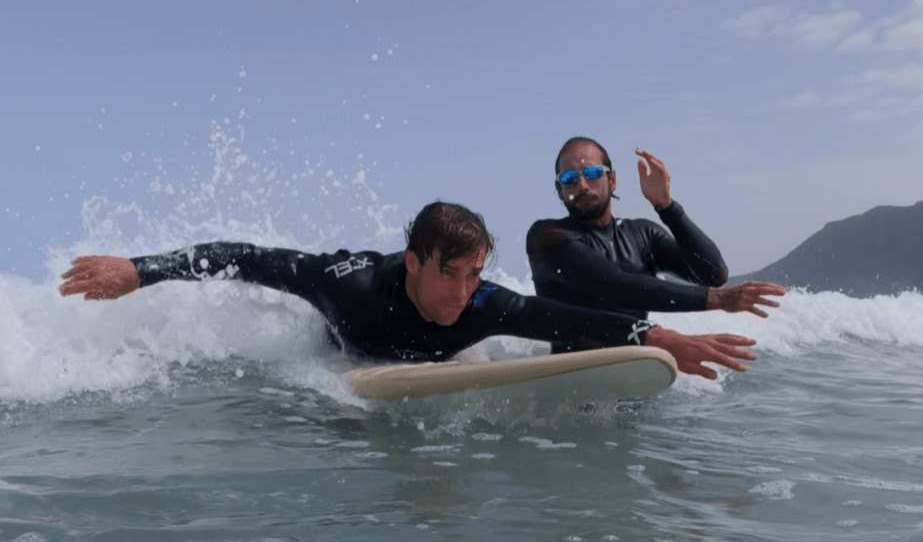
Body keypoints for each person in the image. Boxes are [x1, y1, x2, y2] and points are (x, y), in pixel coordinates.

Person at [58, 201, 757, 379]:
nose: (462, 291)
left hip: (421, 364)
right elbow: (245, 256)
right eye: (448, 272)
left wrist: (659, 335)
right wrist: (140, 269)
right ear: (414, 260)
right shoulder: (350, 284)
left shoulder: (484, 303)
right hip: (348, 350)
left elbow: (563, 311)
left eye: (474, 273)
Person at [526, 137, 786, 351]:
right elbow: (614, 286)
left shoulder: (643, 234)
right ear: (560, 189)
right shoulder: (546, 236)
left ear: (612, 179)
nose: (582, 185)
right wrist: (719, 300)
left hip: (634, 375)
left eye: (593, 173)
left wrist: (667, 207)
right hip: (573, 379)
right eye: (569, 179)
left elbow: (714, 273)